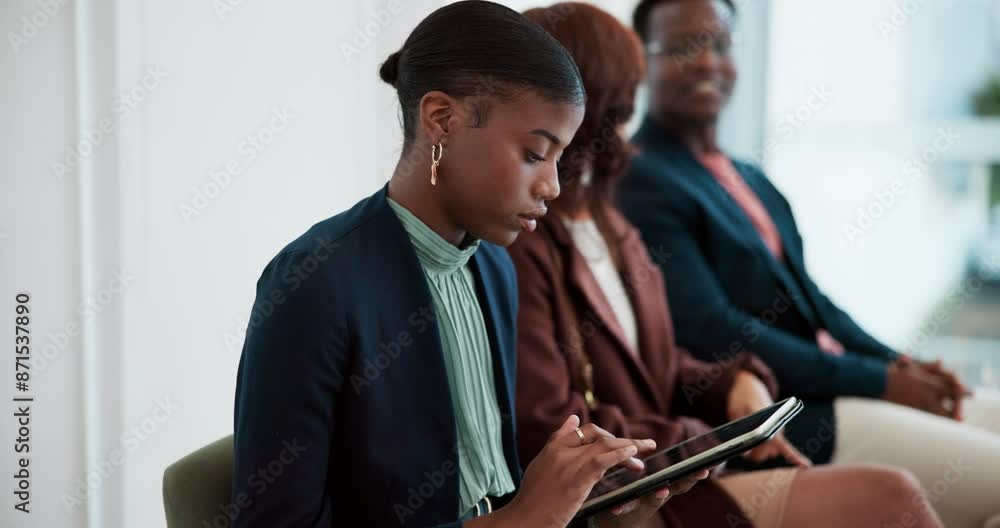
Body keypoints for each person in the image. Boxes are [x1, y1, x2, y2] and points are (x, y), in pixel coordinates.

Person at [231, 2, 707, 527]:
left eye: (558, 157)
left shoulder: (495, 269)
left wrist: (597, 506)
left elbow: (497, 498)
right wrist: (526, 518)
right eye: (533, 154)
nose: (552, 185)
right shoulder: (315, 282)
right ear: (442, 120)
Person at [510, 4, 946, 528]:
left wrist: (735, 381)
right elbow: (555, 427)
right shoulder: (528, 239)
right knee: (894, 495)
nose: (626, 122)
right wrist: (706, 438)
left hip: (682, 462)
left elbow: (665, 358)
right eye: (619, 104)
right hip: (642, 495)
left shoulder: (611, 224)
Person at [619, 0, 1000, 526]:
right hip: (793, 412)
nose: (708, 61)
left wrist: (900, 364)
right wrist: (879, 381)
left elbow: (812, 301)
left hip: (842, 383)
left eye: (721, 45)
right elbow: (714, 329)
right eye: (684, 47)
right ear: (642, 61)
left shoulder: (748, 175)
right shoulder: (641, 179)